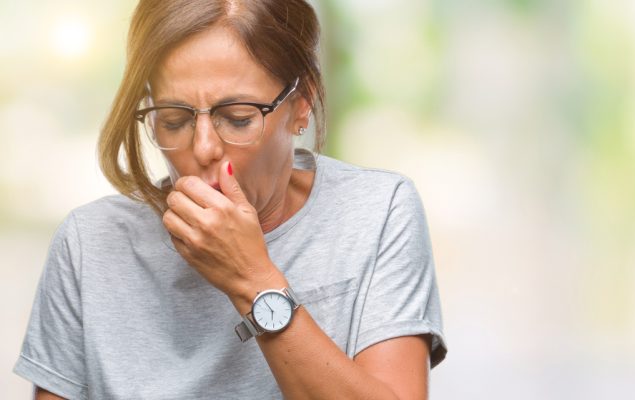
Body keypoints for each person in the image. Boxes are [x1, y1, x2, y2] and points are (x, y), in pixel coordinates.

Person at [14, 0, 447, 398]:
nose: (203, 148)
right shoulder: (89, 244)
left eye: (238, 119)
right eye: (174, 119)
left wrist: (252, 280)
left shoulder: (378, 211)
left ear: (301, 104)